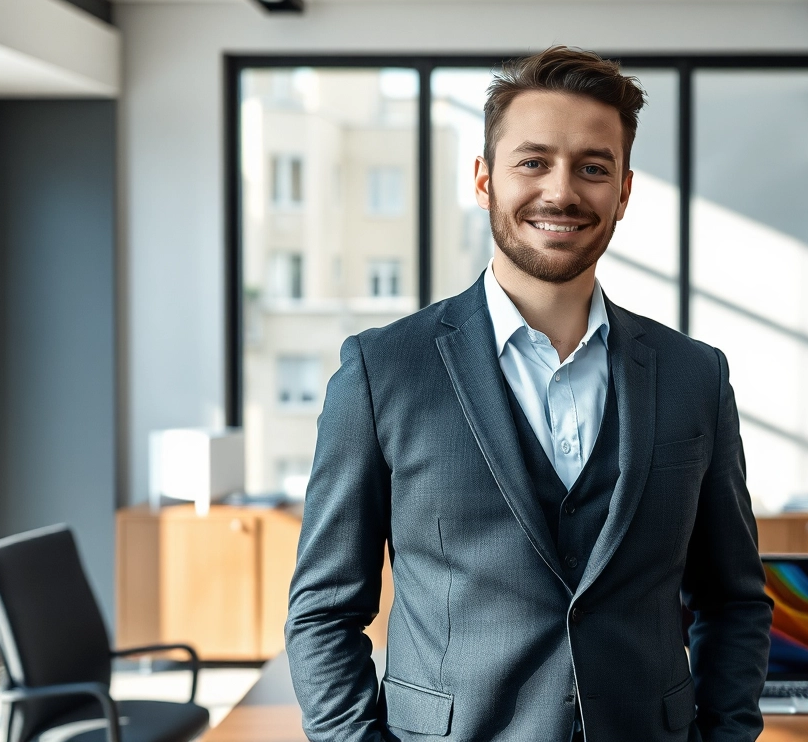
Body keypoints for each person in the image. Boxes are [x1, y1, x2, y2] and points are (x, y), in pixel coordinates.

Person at [285, 46, 772, 742]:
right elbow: (325, 610)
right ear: (484, 179)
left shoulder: (696, 376)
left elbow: (734, 601)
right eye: (533, 161)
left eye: (593, 167)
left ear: (624, 191)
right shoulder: (383, 371)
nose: (562, 191)